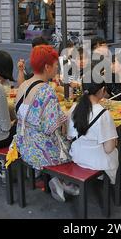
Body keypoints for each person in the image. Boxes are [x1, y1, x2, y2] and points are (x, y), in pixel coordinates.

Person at [14, 45, 76, 202]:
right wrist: (67, 116)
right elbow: (51, 127)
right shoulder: (46, 90)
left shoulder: (23, 85)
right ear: (47, 67)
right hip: (41, 152)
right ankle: (62, 179)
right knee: (76, 146)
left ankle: (58, 180)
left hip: (23, 144)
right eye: (56, 66)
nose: (57, 69)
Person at [67, 73, 121, 187]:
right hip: (97, 161)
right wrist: (114, 141)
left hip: (77, 156)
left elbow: (69, 136)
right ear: (102, 90)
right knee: (114, 151)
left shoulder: (73, 108)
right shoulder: (103, 113)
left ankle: (118, 177)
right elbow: (109, 149)